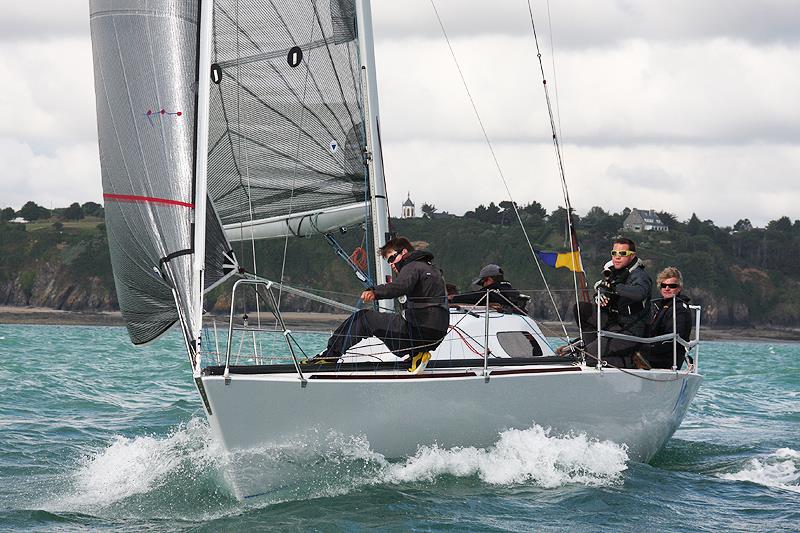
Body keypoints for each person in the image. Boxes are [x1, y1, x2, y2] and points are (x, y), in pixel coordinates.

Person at [316, 237, 449, 367]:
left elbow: (400, 287)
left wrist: (374, 292)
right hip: (435, 335)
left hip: (418, 332)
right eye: (388, 262)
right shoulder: (434, 269)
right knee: (404, 319)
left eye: (391, 258)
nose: (391, 264)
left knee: (363, 318)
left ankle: (329, 357)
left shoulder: (412, 266)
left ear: (404, 252)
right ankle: (417, 355)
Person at [572, 237, 653, 368]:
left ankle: (632, 362)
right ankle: (592, 350)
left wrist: (613, 287)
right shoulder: (615, 273)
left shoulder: (640, 276)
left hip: (631, 332)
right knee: (582, 309)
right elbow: (607, 293)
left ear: (632, 256)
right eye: (614, 253)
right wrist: (600, 296)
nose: (617, 257)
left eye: (622, 253)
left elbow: (640, 293)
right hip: (614, 325)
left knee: (588, 357)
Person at [647, 266, 692, 369]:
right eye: (664, 285)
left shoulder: (680, 309)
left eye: (672, 286)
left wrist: (646, 348)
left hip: (668, 359)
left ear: (679, 288)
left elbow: (674, 337)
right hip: (653, 352)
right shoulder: (658, 305)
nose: (667, 288)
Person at [448, 264, 526, 312]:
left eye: (482, 283)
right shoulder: (512, 292)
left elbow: (476, 296)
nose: (483, 286)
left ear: (489, 280)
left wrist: (454, 298)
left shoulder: (491, 292)